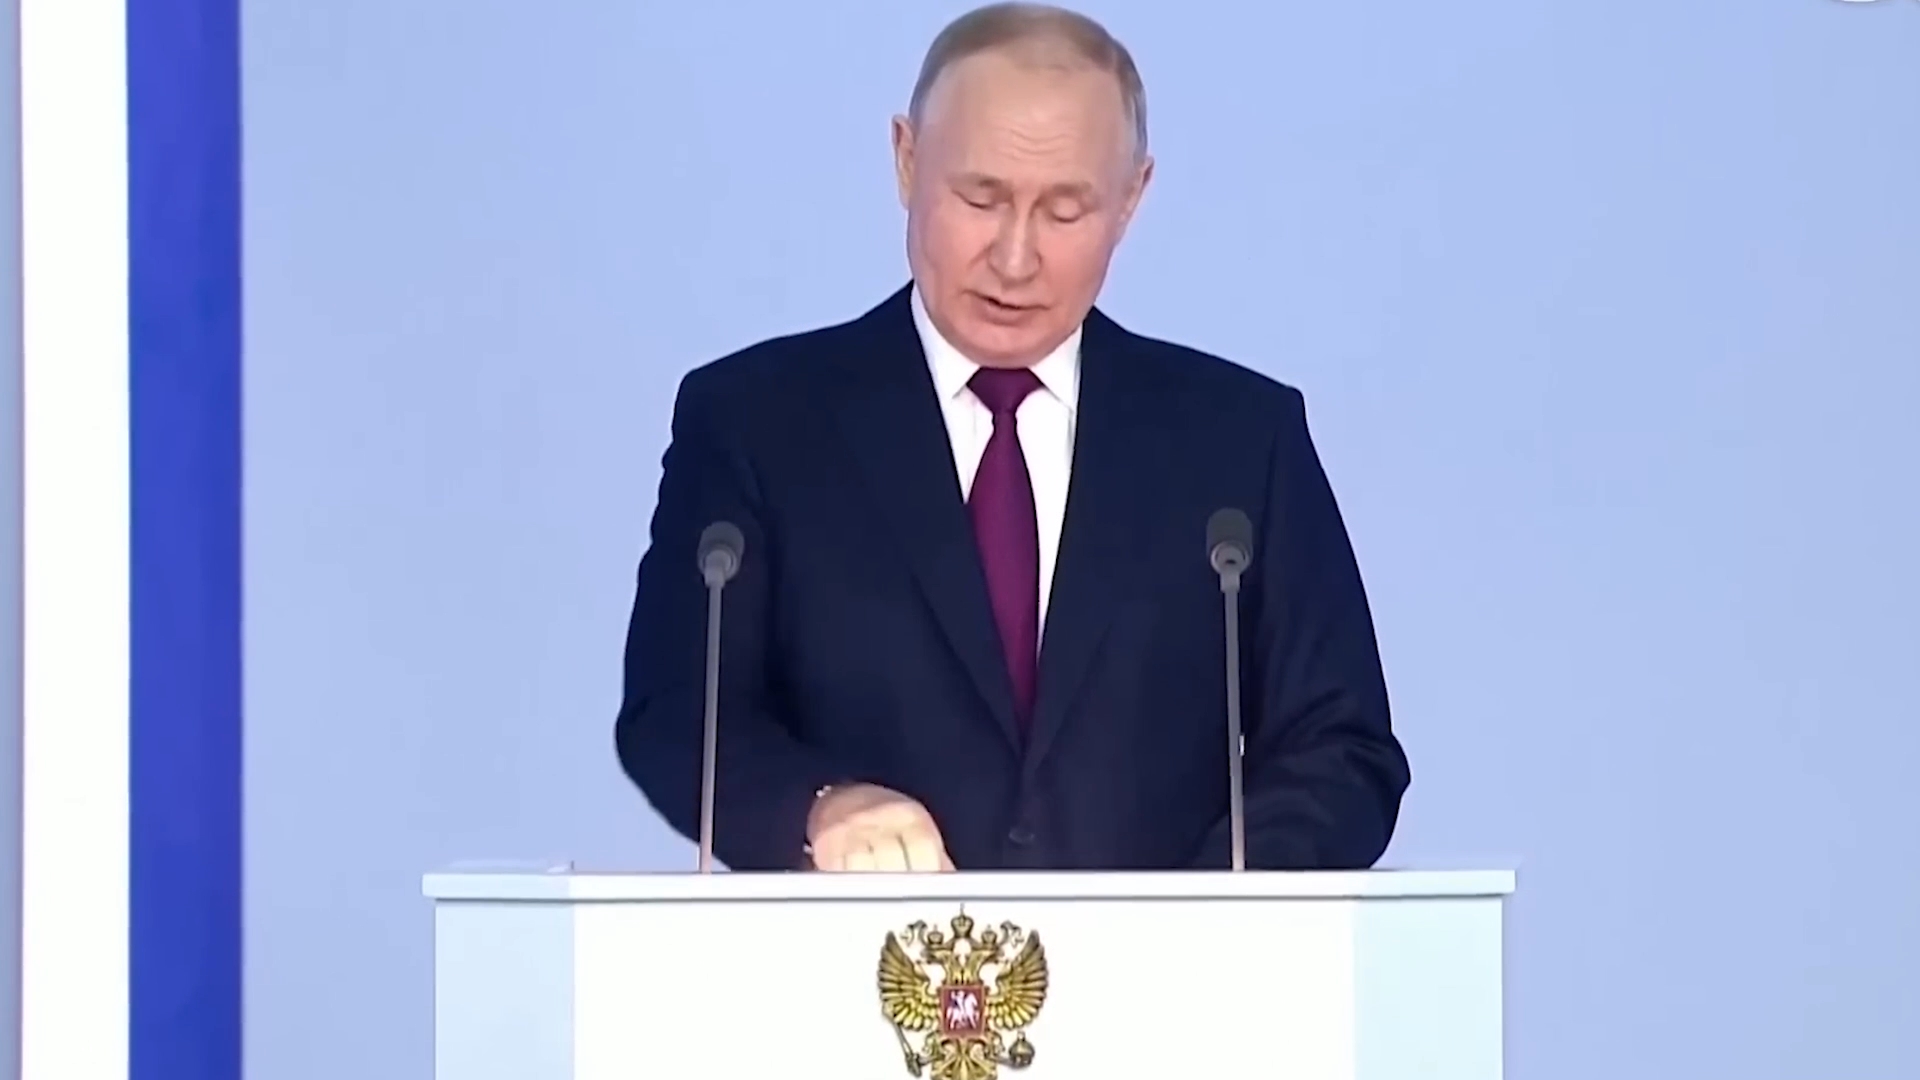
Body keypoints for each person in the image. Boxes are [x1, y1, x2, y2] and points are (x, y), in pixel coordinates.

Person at [615, 2, 1409, 872]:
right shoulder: (756, 422)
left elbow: (1343, 751)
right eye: (980, 199)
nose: (1016, 258)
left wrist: (1197, 910)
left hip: (1171, 960)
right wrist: (818, 804)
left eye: (1065, 211)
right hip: (852, 956)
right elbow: (677, 715)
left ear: (1132, 199)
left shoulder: (1240, 441)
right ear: (906, 160)